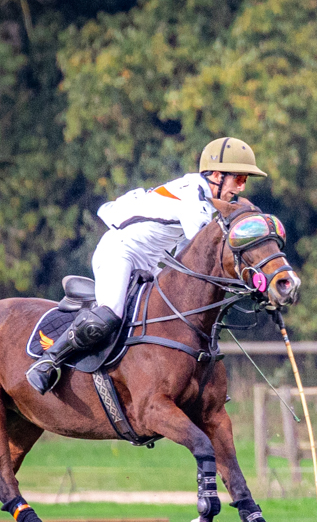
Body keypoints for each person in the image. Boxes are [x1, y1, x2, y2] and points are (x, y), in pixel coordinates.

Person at [26, 137, 267, 394]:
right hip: (119, 252)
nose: (241, 188)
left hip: (149, 264)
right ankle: (48, 361)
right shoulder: (194, 195)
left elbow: (188, 255)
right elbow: (204, 252)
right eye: (239, 179)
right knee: (110, 313)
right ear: (217, 175)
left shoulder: (205, 201)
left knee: (176, 314)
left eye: (245, 181)